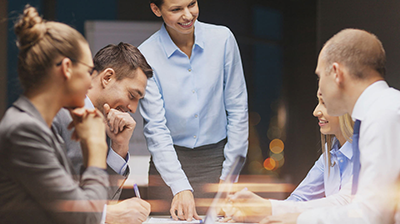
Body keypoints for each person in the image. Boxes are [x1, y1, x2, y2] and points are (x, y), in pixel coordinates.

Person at [237, 28, 400, 224]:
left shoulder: (384, 114)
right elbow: (349, 200)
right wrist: (271, 209)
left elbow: (372, 215)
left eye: (320, 76)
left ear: (337, 73)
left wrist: (297, 219)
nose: (320, 87)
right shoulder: (382, 110)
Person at [138, 0, 249, 220]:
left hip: (218, 160)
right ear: (156, 9)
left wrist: (228, 180)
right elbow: (156, 128)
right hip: (168, 165)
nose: (188, 15)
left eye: (192, 4)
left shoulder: (223, 40)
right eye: (176, 9)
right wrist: (179, 186)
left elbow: (238, 110)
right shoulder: (146, 55)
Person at [0, 5, 109, 224]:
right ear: (67, 68)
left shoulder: (38, 127)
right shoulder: (24, 131)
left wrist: (89, 149)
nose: (90, 82)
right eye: (89, 71)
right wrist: (97, 146)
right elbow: (84, 218)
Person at [53, 42, 153, 224]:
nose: (133, 108)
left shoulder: (104, 125)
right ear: (107, 77)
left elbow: (103, 202)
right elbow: (44, 198)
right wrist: (107, 214)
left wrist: (119, 147)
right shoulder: (56, 113)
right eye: (132, 95)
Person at [224, 91, 354, 223]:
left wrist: (266, 208)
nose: (316, 112)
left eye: (324, 103)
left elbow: (345, 203)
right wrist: (253, 214)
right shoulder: (330, 155)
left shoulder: (367, 152)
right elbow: (299, 199)